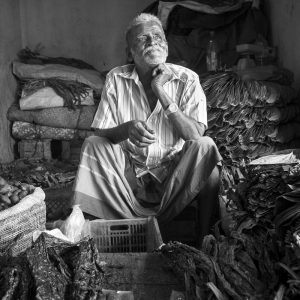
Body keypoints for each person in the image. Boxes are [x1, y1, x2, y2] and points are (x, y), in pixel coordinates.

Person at [72, 13, 222, 242]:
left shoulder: (187, 79)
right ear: (130, 52)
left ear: (167, 46)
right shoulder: (116, 77)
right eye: (143, 39)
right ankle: (89, 235)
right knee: (94, 145)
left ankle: (204, 238)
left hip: (175, 174)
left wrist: (161, 91)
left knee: (206, 148)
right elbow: (101, 132)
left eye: (158, 37)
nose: (153, 42)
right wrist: (127, 129)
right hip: (130, 177)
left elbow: (194, 135)